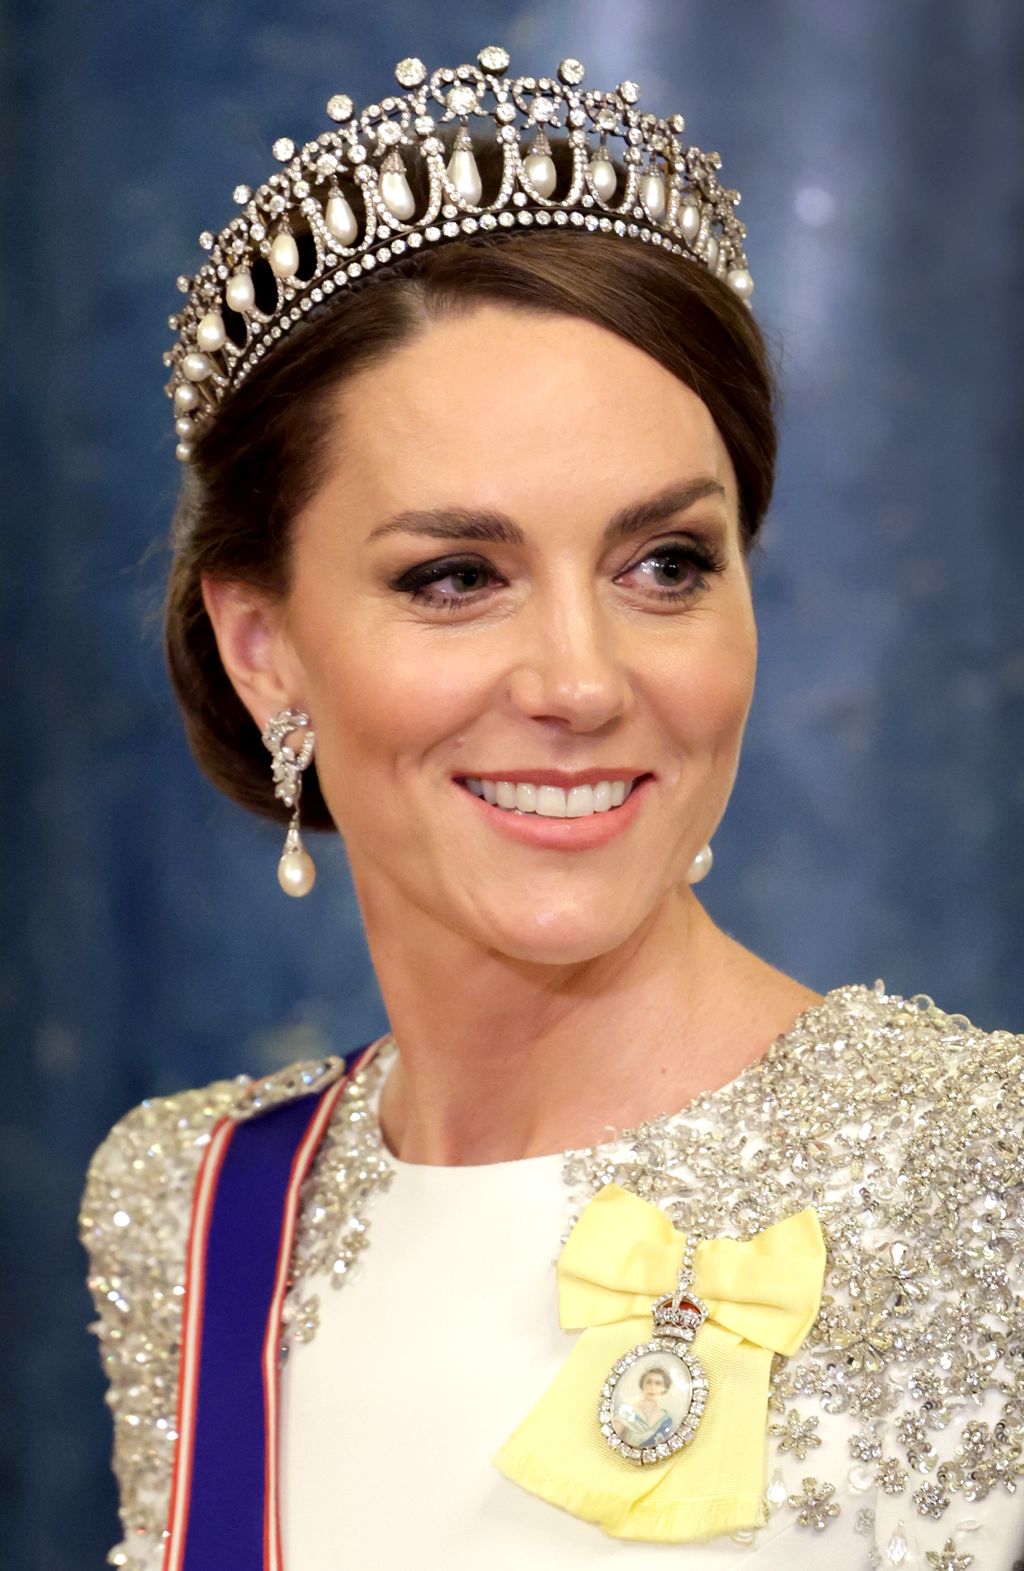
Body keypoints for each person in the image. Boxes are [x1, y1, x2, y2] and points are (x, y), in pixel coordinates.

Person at [79, 42, 1024, 1571]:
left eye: (666, 565)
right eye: (455, 577)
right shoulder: (185, 1207)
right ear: (265, 651)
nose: (581, 682)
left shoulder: (993, 1189)